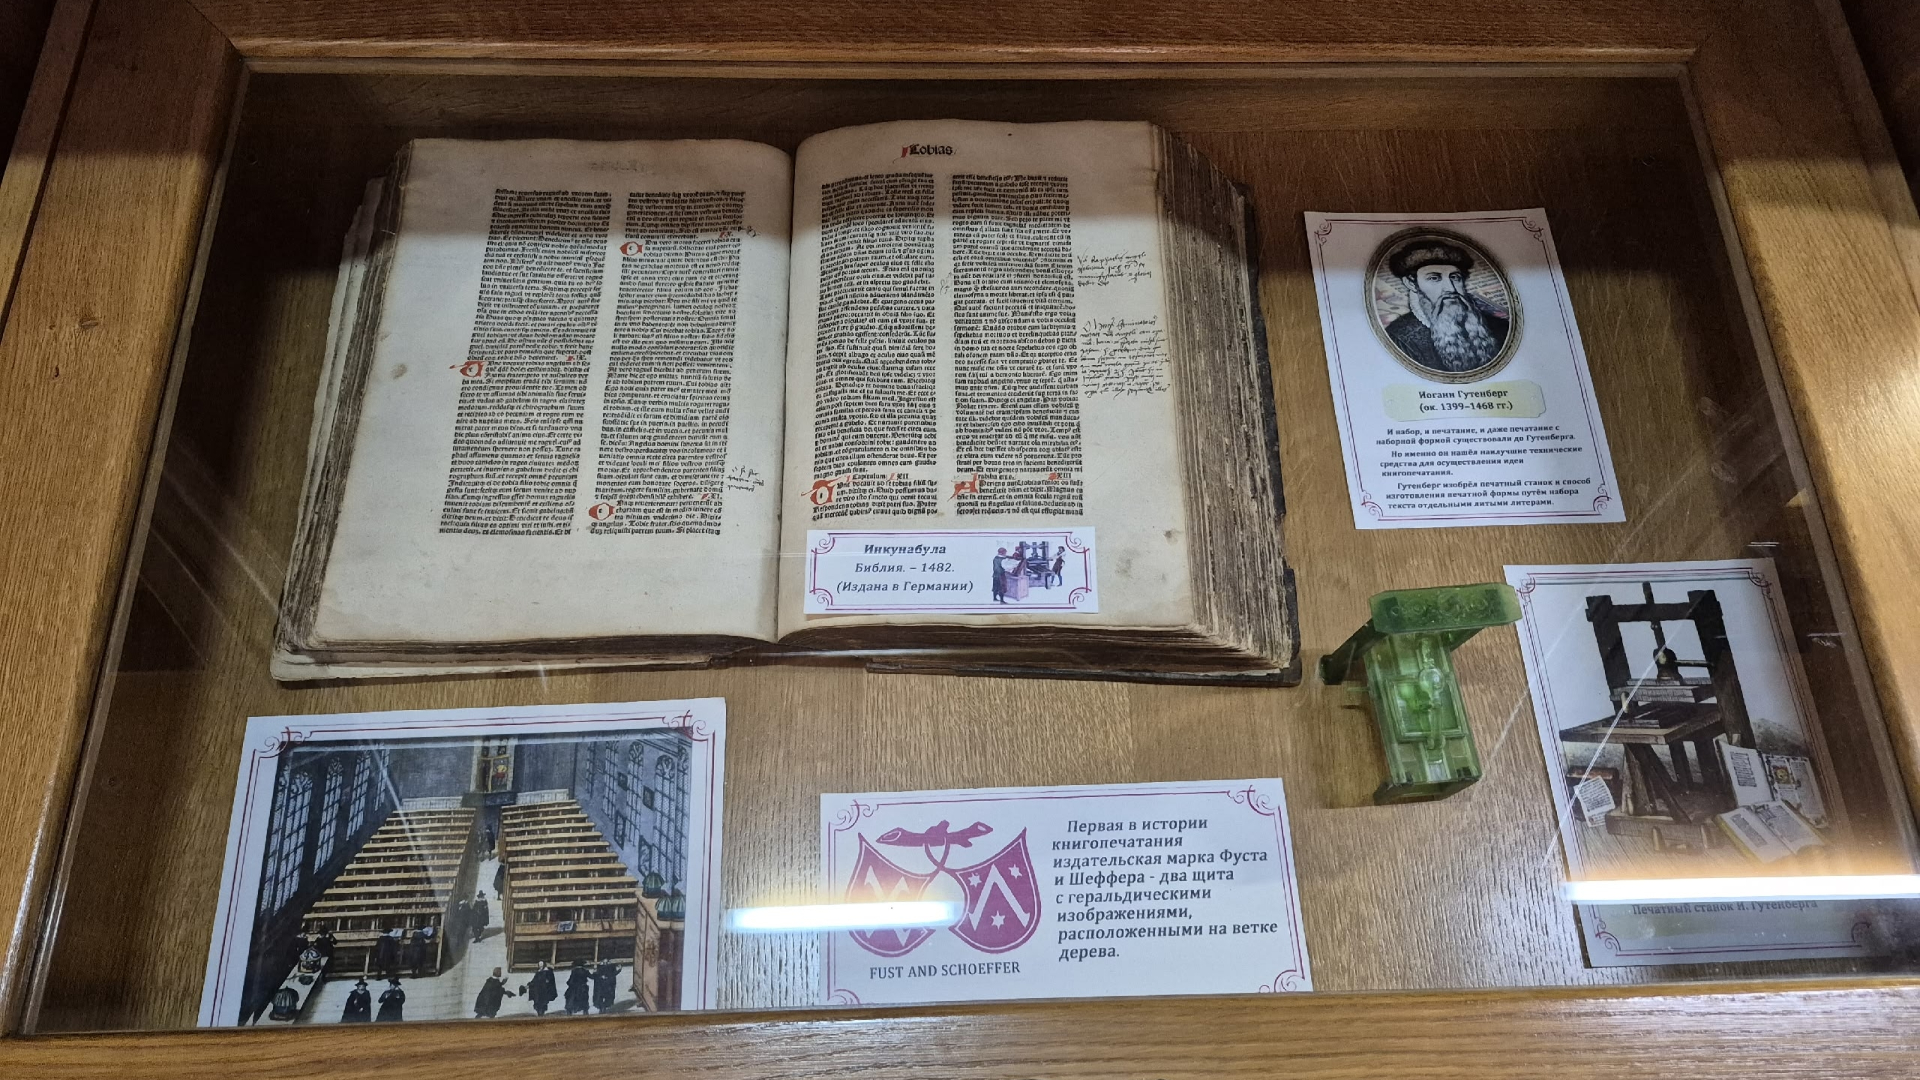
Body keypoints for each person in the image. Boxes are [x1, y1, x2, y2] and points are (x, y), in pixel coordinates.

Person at [1381, 237, 1511, 375]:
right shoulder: (1401, 338)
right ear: (1411, 283)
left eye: (1455, 277)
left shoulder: (1501, 327)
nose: (1450, 288)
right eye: (1434, 278)